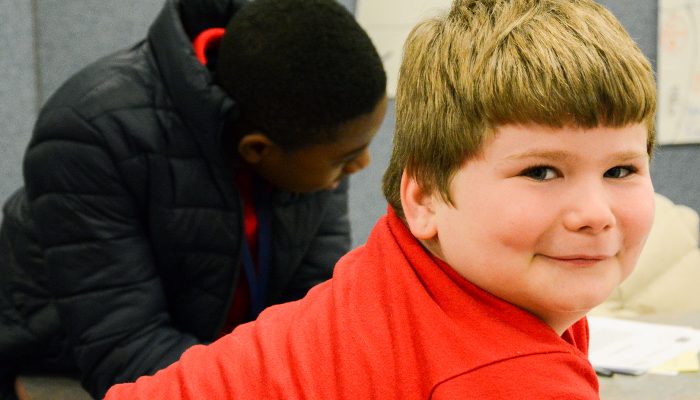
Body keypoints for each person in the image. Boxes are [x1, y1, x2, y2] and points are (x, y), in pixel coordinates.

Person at [103, 0, 657, 398]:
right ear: (424, 200)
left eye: (621, 169)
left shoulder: (401, 268)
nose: (594, 214)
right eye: (541, 171)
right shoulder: (509, 375)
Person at [0, 0, 387, 398]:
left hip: (219, 362)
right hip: (65, 367)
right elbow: (127, 355)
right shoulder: (89, 137)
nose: (362, 164)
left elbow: (314, 313)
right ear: (257, 150)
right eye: (344, 159)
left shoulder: (306, 125)